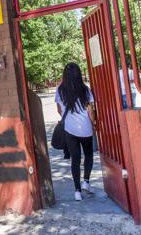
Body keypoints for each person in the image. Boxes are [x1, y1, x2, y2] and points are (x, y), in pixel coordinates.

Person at [55, 63, 96, 201]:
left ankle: (77, 191)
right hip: (86, 129)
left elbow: (59, 110)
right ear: (79, 74)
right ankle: (86, 182)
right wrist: (94, 123)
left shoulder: (60, 90)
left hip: (69, 130)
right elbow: (90, 111)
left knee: (75, 160)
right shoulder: (85, 89)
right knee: (88, 155)